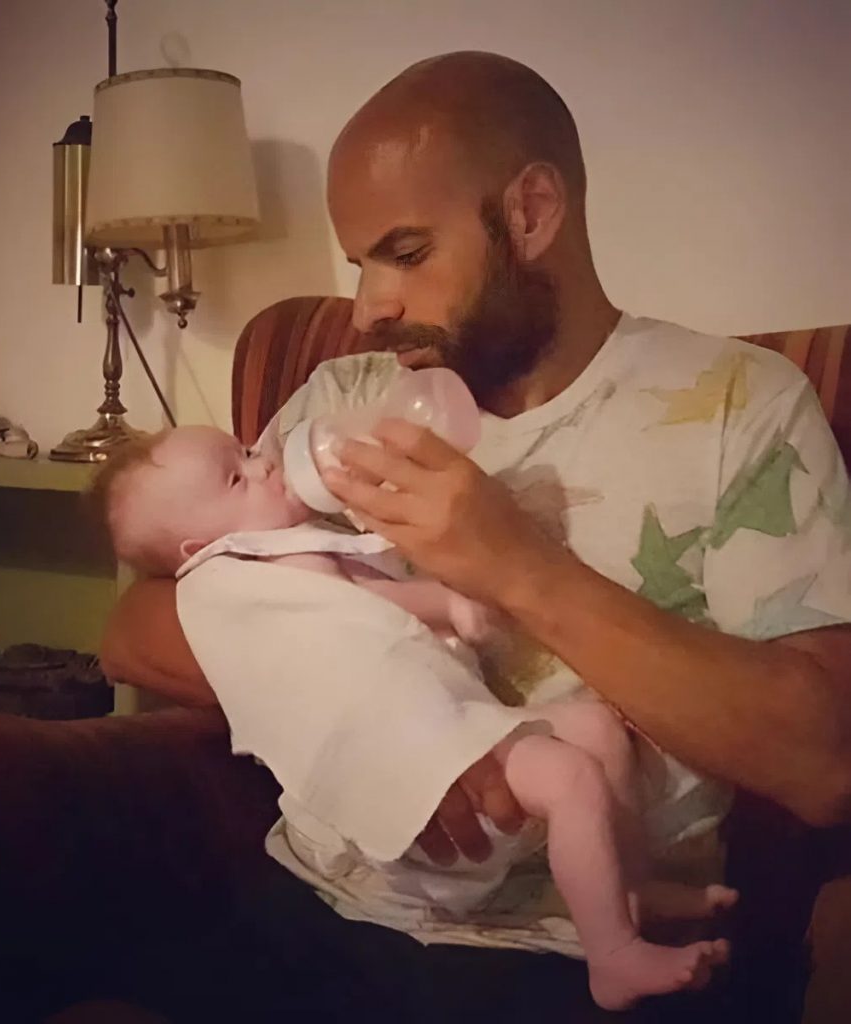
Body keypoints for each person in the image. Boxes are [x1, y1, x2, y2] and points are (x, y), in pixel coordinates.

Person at [101, 51, 851, 1021]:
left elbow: (823, 761)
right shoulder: (344, 395)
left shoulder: (740, 407)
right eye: (360, 264)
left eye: (406, 254)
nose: (369, 307)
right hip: (312, 903)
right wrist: (378, 732)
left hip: (571, 948)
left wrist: (520, 566)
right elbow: (138, 628)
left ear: (531, 212)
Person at [94, 423, 737, 1010]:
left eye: (247, 450)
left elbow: (376, 600)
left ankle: (630, 886)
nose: (264, 461)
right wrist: (448, 611)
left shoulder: (296, 554)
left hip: (461, 723)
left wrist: (449, 606)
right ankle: (613, 954)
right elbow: (339, 638)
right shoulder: (255, 577)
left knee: (597, 728)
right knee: (573, 779)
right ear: (203, 546)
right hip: (424, 768)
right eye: (237, 477)